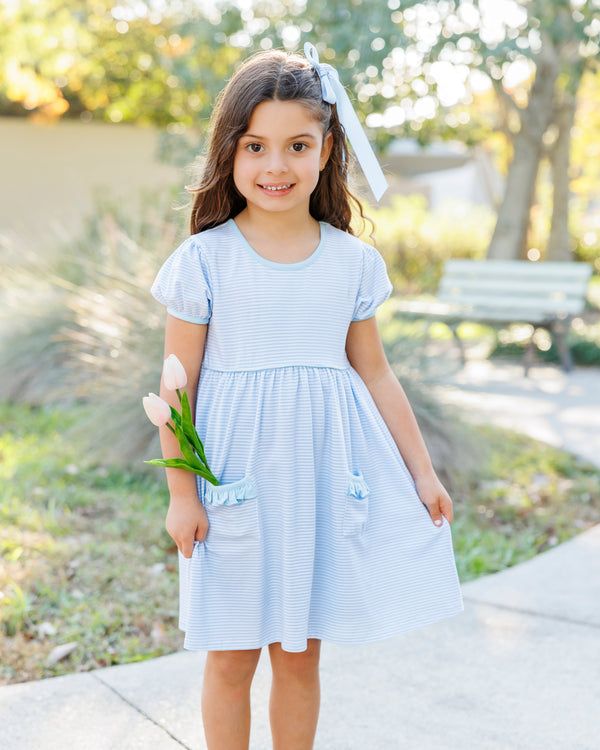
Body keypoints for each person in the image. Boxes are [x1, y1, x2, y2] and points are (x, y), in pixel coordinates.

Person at [151, 42, 463, 750]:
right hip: (235, 480)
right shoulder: (206, 260)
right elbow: (177, 387)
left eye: (297, 145)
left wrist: (422, 472)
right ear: (230, 153)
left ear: (327, 151)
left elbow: (376, 373)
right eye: (256, 146)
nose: (276, 165)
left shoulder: (351, 262)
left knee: (300, 653)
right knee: (230, 655)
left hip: (317, 483)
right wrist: (181, 493)